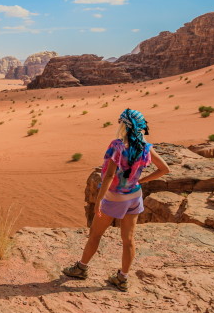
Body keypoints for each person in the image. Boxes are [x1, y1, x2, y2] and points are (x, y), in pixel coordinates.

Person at [62, 108, 169, 291]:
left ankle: (81, 268)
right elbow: (164, 169)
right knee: (128, 239)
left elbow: (110, 175)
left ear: (124, 125)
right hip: (134, 197)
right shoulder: (145, 146)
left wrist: (100, 201)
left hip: (114, 198)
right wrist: (140, 181)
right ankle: (123, 278)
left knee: (95, 234)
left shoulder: (118, 146)